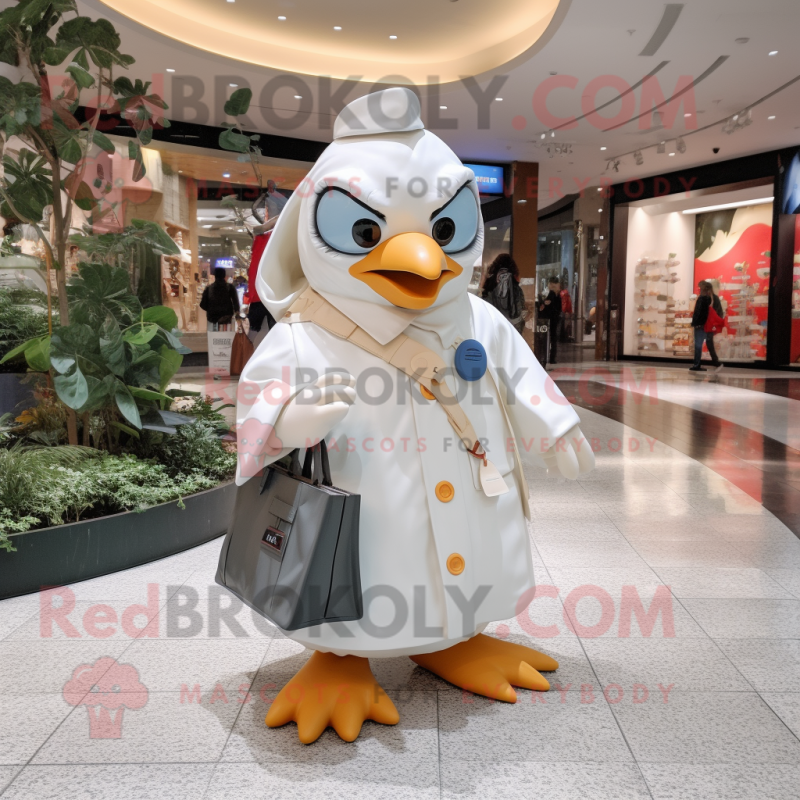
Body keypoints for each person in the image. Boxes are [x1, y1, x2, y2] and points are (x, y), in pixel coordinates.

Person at [480, 253, 526, 333]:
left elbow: (484, 304)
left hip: (494, 328)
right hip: (513, 330)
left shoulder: (491, 283)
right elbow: (520, 309)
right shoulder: (517, 288)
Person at [689, 281, 722, 372]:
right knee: (708, 343)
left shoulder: (703, 298)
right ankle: (715, 362)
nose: (699, 289)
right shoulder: (712, 298)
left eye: (700, 288)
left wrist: (695, 323)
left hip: (702, 325)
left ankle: (697, 364)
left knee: (699, 345)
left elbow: (699, 313)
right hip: (708, 325)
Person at [538, 276, 562, 365]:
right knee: (553, 338)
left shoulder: (551, 294)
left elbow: (548, 306)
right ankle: (552, 357)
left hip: (550, 318)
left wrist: (543, 304)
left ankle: (549, 357)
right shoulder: (557, 294)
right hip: (554, 318)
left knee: (549, 337)